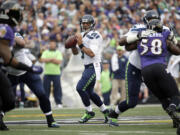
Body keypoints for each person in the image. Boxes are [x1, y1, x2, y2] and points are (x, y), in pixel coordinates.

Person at [108, 10, 180, 127]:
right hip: (136, 67)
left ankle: (175, 119)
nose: (153, 23)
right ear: (146, 22)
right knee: (132, 102)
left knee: (164, 96)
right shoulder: (139, 29)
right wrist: (138, 36)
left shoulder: (165, 29)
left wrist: (174, 38)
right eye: (150, 20)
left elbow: (176, 48)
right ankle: (114, 114)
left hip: (150, 69)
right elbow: (122, 42)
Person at [0, 1, 43, 130]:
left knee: (7, 100)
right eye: (18, 12)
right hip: (4, 68)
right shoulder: (5, 29)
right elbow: (9, 59)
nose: (20, 15)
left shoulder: (10, 28)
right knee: (8, 101)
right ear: (9, 13)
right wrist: (29, 68)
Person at [6, 32, 60, 128]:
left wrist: (8, 36)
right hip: (11, 73)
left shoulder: (12, 33)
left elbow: (22, 43)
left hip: (27, 71)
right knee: (5, 98)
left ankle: (50, 119)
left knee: (41, 94)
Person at [71, 14, 109, 123]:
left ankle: (89, 112)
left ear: (92, 24)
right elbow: (75, 53)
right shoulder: (82, 34)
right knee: (90, 92)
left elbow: (91, 53)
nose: (85, 25)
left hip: (94, 66)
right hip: (87, 66)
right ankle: (106, 111)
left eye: (87, 23)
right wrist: (73, 46)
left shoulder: (95, 35)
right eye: (83, 23)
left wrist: (80, 44)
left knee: (80, 88)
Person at [39, 39, 63, 108]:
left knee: (57, 89)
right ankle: (46, 103)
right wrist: (52, 59)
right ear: (49, 45)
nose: (52, 45)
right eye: (51, 44)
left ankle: (58, 103)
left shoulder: (58, 52)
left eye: (53, 44)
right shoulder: (45, 52)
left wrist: (48, 59)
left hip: (56, 73)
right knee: (46, 89)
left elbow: (59, 61)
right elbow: (42, 60)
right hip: (47, 73)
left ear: (55, 45)